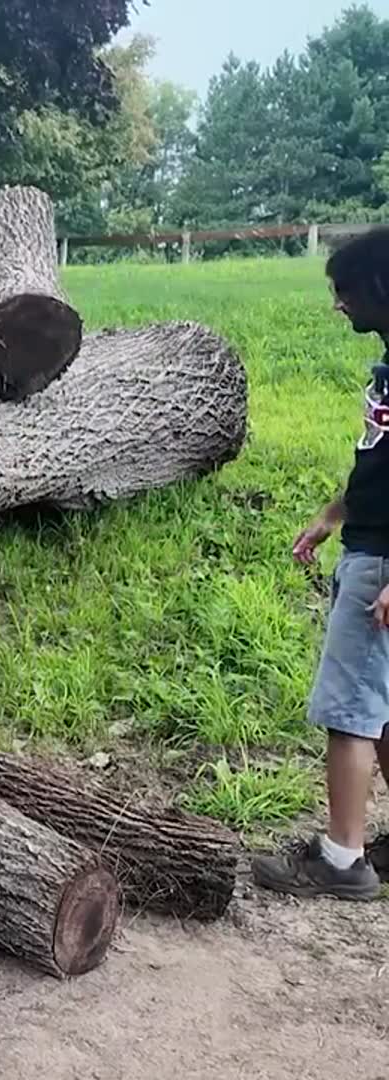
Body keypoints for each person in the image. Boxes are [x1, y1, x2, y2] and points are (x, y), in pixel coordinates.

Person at [254, 227, 389, 899]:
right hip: (367, 541)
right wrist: (332, 516)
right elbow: (380, 467)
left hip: (382, 563)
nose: (338, 305)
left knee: (349, 710)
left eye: (345, 291)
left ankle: (342, 859)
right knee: (383, 710)